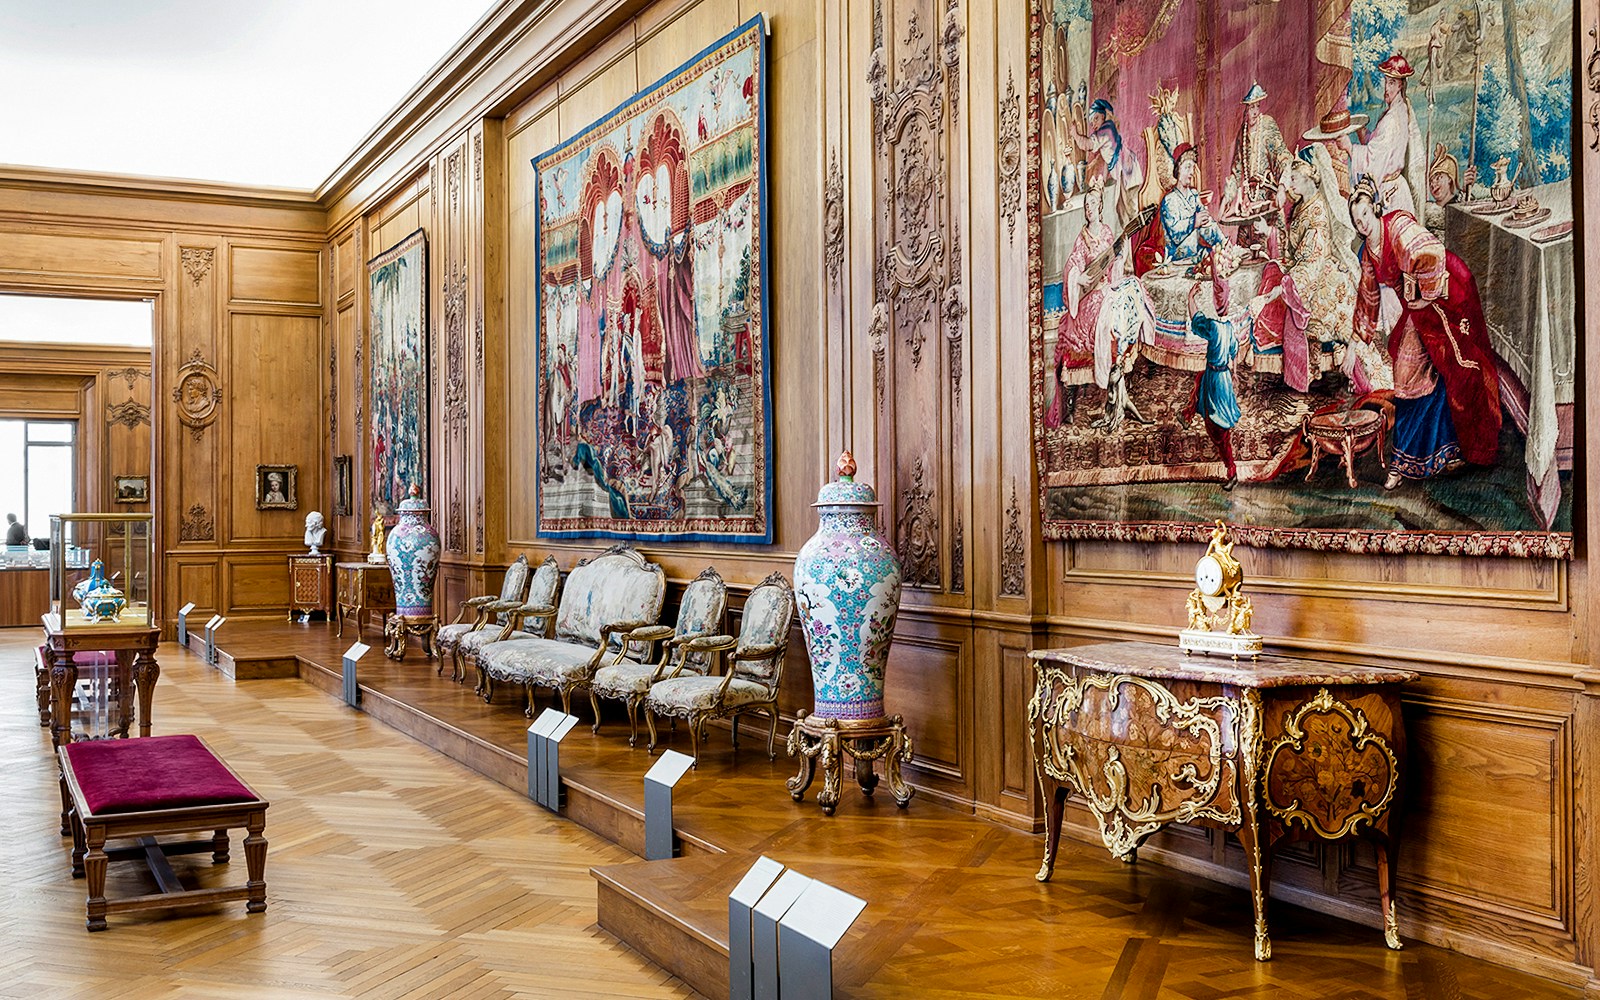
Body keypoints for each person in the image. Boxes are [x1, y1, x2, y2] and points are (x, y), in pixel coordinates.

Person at [1348, 177, 1502, 490]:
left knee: (1456, 366)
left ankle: (1452, 448)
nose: (1362, 223)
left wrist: (1424, 294)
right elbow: (1368, 298)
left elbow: (1431, 252)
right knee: (1412, 374)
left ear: (1375, 209)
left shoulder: (1399, 227)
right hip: (1420, 304)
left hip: (1449, 292)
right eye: (1356, 220)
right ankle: (1419, 456)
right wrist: (1355, 340)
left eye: (1365, 215)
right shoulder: (1368, 253)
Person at [1338, 55, 1425, 217]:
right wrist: (1363, 133)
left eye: (1392, 83)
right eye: (1386, 81)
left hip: (1391, 194)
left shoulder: (1393, 119)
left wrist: (1349, 148)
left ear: (1401, 85)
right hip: (1393, 188)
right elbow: (1381, 147)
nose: (1386, 87)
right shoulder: (1398, 109)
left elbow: (1376, 159)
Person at [1184, 272, 1245, 490]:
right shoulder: (1229, 327)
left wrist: (1191, 299)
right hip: (1223, 376)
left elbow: (1196, 320)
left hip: (1217, 379)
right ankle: (1188, 414)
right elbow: (1234, 351)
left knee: (1217, 427)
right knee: (1199, 383)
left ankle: (1231, 470)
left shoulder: (1213, 327)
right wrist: (1234, 372)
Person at [1225, 83, 1291, 216]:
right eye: (1251, 107)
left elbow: (1283, 156)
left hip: (1269, 198)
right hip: (1249, 202)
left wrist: (1282, 188)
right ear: (1245, 111)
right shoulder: (1242, 133)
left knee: (1272, 234)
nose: (1255, 112)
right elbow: (1236, 171)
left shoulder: (1267, 125)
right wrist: (1228, 199)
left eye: (1257, 106)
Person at [1159, 143, 1226, 266]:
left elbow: (1206, 224)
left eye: (1193, 168)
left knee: (1219, 261)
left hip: (1196, 255)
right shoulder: (1170, 200)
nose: (1191, 172)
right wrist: (1194, 222)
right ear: (1178, 169)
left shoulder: (1194, 195)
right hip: (1178, 259)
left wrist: (1222, 243)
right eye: (1187, 167)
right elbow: (1175, 234)